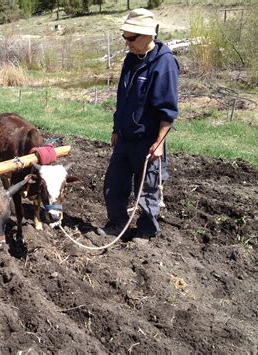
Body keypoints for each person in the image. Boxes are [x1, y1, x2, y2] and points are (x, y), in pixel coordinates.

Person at [97, 8, 179, 244]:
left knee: (148, 188)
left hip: (148, 140)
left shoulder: (165, 64)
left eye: (131, 38)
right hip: (124, 137)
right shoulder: (131, 60)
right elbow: (122, 99)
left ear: (148, 35)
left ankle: (146, 230)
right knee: (114, 183)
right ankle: (116, 224)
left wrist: (160, 142)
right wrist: (116, 129)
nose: (127, 43)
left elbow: (168, 109)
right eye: (125, 37)